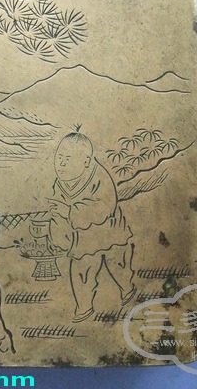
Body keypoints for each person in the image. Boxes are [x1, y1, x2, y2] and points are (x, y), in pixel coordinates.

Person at [47, 131, 136, 323]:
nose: (61, 164)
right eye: (59, 157)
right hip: (83, 240)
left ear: (86, 161)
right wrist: (58, 237)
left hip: (110, 232)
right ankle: (84, 306)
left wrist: (70, 212)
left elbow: (103, 206)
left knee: (118, 265)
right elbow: (57, 214)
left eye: (68, 159)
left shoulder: (99, 177)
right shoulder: (60, 184)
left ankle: (127, 288)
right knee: (81, 272)